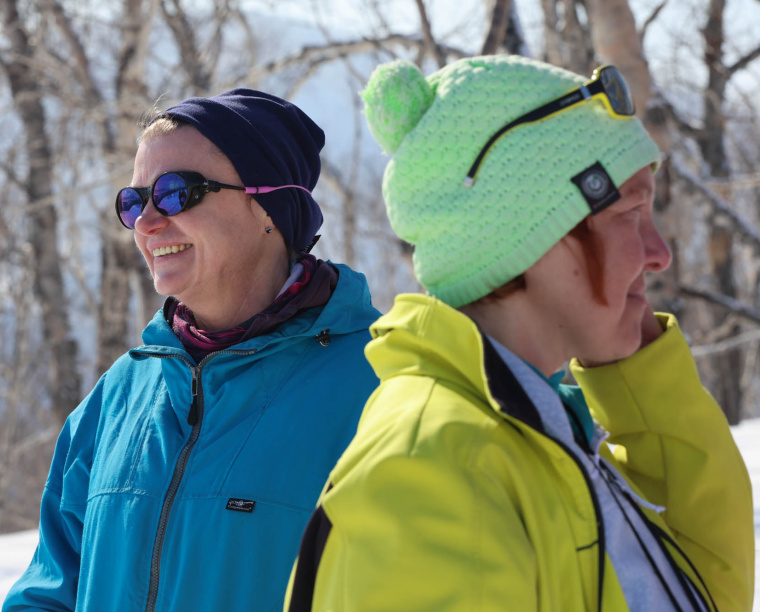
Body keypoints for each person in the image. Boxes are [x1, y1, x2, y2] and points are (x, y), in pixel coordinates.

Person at [285, 56, 754, 611]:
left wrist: (637, 377)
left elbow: (702, 590)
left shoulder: (538, 434)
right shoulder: (435, 473)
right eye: (631, 214)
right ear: (536, 232)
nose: (660, 253)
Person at [3, 88, 381, 611]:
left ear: (268, 204)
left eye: (178, 192)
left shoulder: (378, 385)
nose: (146, 221)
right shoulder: (119, 395)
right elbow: (48, 592)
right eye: (133, 201)